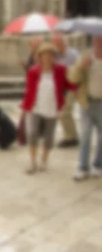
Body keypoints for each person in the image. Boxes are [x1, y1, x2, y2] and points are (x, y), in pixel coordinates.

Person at [21, 43, 74, 175]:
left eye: (51, 55)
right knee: (32, 133)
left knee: (49, 136)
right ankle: (33, 162)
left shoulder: (60, 69)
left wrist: (78, 86)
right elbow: (29, 91)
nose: (48, 58)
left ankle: (44, 160)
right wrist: (25, 108)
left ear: (54, 57)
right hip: (36, 107)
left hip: (52, 108)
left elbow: (68, 84)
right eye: (44, 55)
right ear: (39, 57)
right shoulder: (33, 71)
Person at [69, 36, 102, 181]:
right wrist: (81, 66)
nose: (98, 43)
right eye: (97, 40)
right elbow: (72, 78)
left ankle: (98, 165)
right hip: (87, 102)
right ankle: (83, 167)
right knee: (85, 135)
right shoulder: (85, 58)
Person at [52, 33, 80, 148]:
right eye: (55, 43)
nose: (57, 45)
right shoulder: (55, 56)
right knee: (64, 113)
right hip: (61, 87)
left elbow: (79, 68)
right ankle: (73, 136)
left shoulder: (73, 53)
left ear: (64, 42)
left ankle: (69, 137)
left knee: (65, 112)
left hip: (72, 86)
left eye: (59, 43)